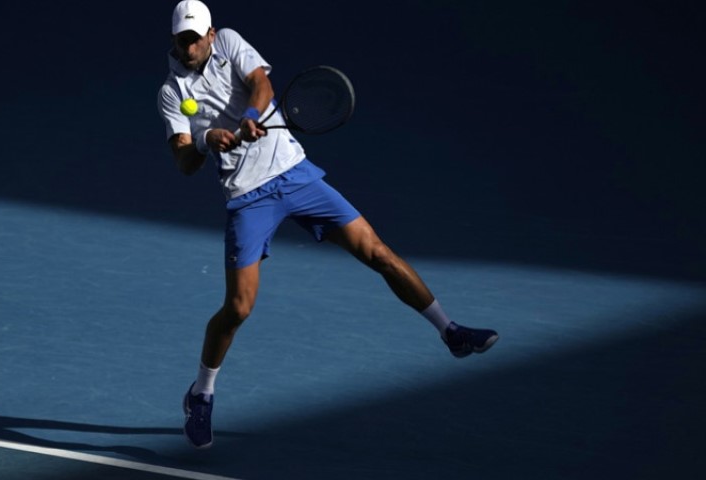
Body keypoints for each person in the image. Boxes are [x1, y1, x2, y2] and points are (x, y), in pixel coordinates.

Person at [157, 0, 499, 449]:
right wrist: (206, 139)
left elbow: (261, 83)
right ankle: (201, 394)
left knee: (376, 252)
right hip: (247, 196)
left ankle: (450, 331)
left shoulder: (232, 42)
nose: (189, 48)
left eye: (195, 39)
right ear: (174, 41)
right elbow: (184, 161)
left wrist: (251, 117)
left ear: (211, 34)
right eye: (182, 41)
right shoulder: (171, 92)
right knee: (238, 307)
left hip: (294, 174)